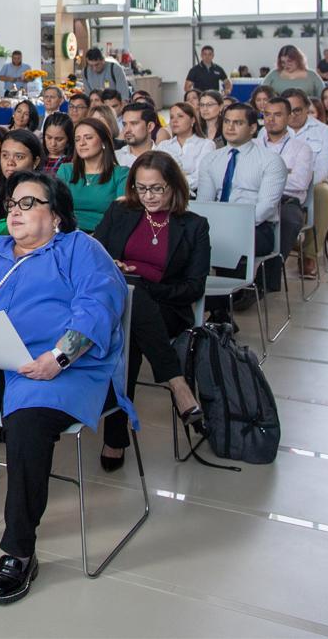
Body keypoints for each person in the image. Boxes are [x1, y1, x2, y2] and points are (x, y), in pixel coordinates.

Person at [0, 170, 130, 606]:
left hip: (59, 365)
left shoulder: (80, 249)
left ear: (57, 215)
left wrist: (60, 357)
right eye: (12, 204)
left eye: (29, 203)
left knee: (27, 425)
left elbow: (98, 308)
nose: (15, 211)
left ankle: (19, 549)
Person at [92, 152, 209, 470]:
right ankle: (176, 383)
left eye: (157, 188)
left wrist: (143, 286)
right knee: (129, 312)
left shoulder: (194, 226)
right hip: (116, 303)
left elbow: (193, 288)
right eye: (141, 188)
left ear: (174, 186)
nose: (148, 196)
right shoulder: (120, 212)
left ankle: (115, 438)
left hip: (166, 308)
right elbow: (95, 257)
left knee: (128, 333)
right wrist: (113, 267)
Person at [196, 104, 288, 284]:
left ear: (252, 128)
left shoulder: (271, 161)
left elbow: (266, 207)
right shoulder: (210, 159)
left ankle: (228, 296)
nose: (230, 127)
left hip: (256, 228)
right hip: (217, 225)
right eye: (227, 122)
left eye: (238, 123)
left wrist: (234, 226)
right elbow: (204, 202)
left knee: (227, 242)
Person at [280, 88, 328, 278]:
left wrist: (299, 179)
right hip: (279, 184)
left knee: (323, 193)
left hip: (312, 183)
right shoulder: (270, 130)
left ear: (307, 108)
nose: (293, 115)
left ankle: (310, 254)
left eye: (297, 110)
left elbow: (323, 168)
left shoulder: (325, 132)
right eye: (288, 111)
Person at [255, 97, 313, 293]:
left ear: (289, 117)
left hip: (286, 201)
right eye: (267, 115)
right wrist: (282, 174)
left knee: (288, 220)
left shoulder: (301, 148)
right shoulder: (253, 145)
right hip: (254, 198)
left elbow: (299, 183)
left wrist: (264, 178)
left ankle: (266, 282)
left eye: (277, 115)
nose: (271, 120)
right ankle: (238, 276)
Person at [57, 118, 128, 233]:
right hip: (68, 233)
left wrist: (93, 238)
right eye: (77, 139)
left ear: (103, 141)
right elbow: (56, 209)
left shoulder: (121, 174)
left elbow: (121, 215)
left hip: (105, 235)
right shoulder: (66, 170)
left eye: (88, 137)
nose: (82, 143)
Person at [155, 102, 214, 193]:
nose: (174, 121)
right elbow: (156, 174)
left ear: (192, 120)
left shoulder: (206, 144)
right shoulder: (163, 145)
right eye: (171, 117)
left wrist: (171, 184)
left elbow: (200, 177)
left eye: (180, 116)